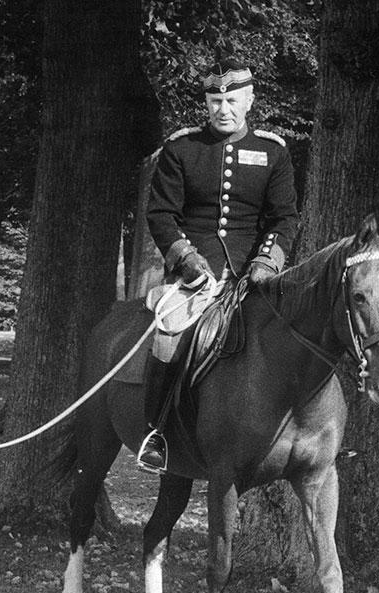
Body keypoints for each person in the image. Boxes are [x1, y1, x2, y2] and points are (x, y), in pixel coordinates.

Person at [138, 57, 300, 473]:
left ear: (249, 100)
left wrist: (267, 262)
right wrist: (188, 261)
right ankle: (156, 432)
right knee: (169, 335)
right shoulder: (182, 148)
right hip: (197, 276)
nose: (222, 109)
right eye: (215, 100)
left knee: (300, 335)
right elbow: (160, 215)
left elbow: (284, 218)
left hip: (256, 278)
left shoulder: (272, 152)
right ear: (207, 103)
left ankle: (304, 434)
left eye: (231, 99)